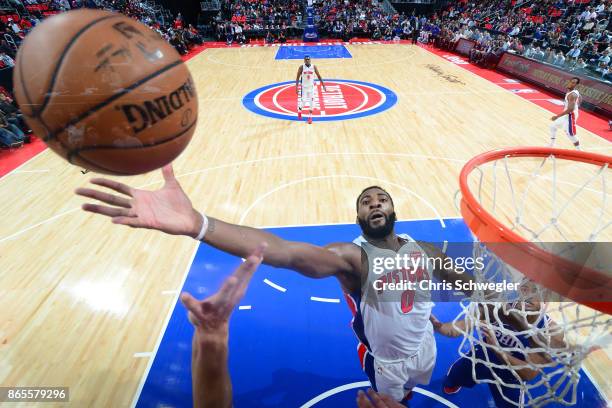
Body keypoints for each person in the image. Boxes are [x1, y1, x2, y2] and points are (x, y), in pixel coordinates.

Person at [76, 170, 473, 403]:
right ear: (357, 218)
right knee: (396, 401)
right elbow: (286, 252)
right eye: (366, 201)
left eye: (381, 199)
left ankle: (441, 380)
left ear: (393, 210)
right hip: (388, 360)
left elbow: (455, 286)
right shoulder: (352, 258)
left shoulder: (426, 250)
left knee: (419, 384)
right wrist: (199, 224)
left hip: (425, 345)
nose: (374, 203)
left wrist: (503, 295)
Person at [549, 77, 581, 150]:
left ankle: (579, 150)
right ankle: (552, 145)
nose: (571, 83)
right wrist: (577, 104)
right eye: (571, 81)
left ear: (576, 85)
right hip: (567, 114)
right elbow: (580, 98)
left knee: (570, 134)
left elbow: (570, 109)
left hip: (571, 115)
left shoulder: (572, 95)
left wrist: (557, 116)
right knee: (553, 126)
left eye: (573, 83)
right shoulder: (571, 91)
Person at [295, 55, 326, 124]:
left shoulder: (314, 67)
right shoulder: (301, 67)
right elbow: (297, 78)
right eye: (306, 59)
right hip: (304, 88)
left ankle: (310, 117)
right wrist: (296, 87)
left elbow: (319, 76)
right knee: (303, 102)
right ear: (304, 60)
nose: (307, 60)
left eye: (308, 59)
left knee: (312, 103)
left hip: (311, 87)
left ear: (310, 60)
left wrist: (323, 85)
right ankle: (299, 110)